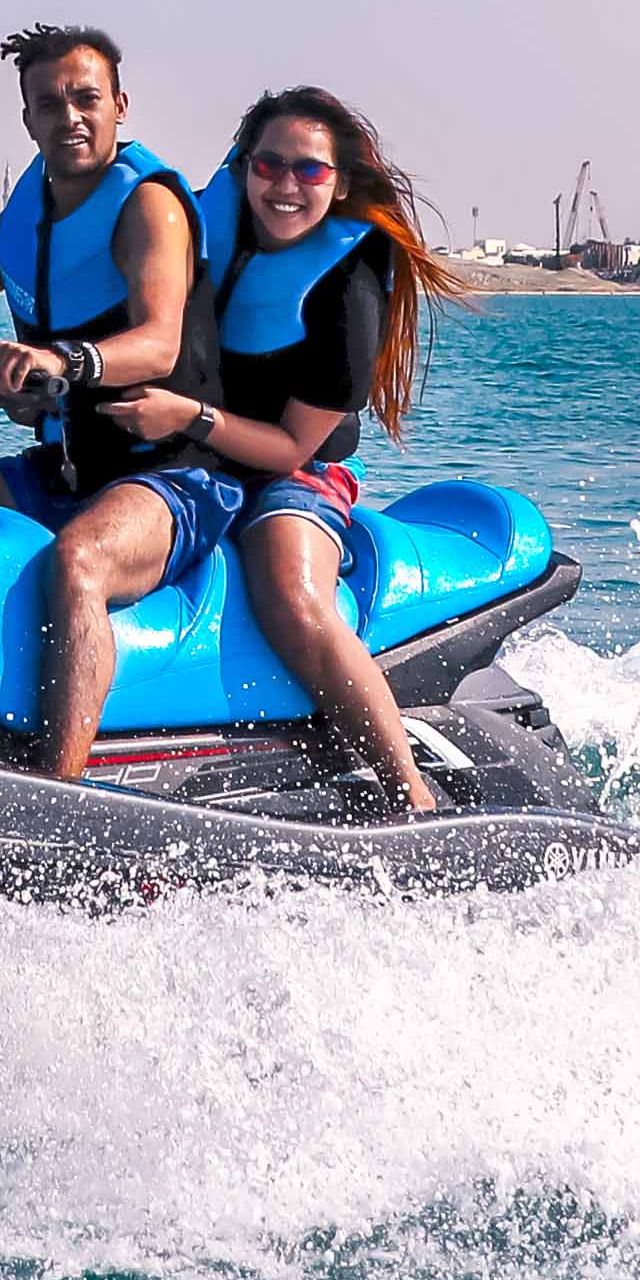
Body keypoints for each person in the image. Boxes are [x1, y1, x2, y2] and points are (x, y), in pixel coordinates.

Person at [0, 22, 228, 782]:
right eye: (50, 103)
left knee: (78, 561)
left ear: (120, 105)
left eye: (87, 98)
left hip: (174, 475)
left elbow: (159, 342)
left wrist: (62, 358)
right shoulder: (32, 202)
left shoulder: (148, 204)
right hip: (64, 466)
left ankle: (55, 789)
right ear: (27, 118)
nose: (71, 117)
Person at [168, 85, 470, 813]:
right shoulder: (202, 231)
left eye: (309, 170)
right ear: (242, 167)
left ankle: (410, 793)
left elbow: (289, 445)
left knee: (292, 595)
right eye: (269, 164)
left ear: (337, 184)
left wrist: (188, 415)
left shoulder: (347, 286)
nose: (285, 185)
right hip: (189, 454)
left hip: (296, 472)